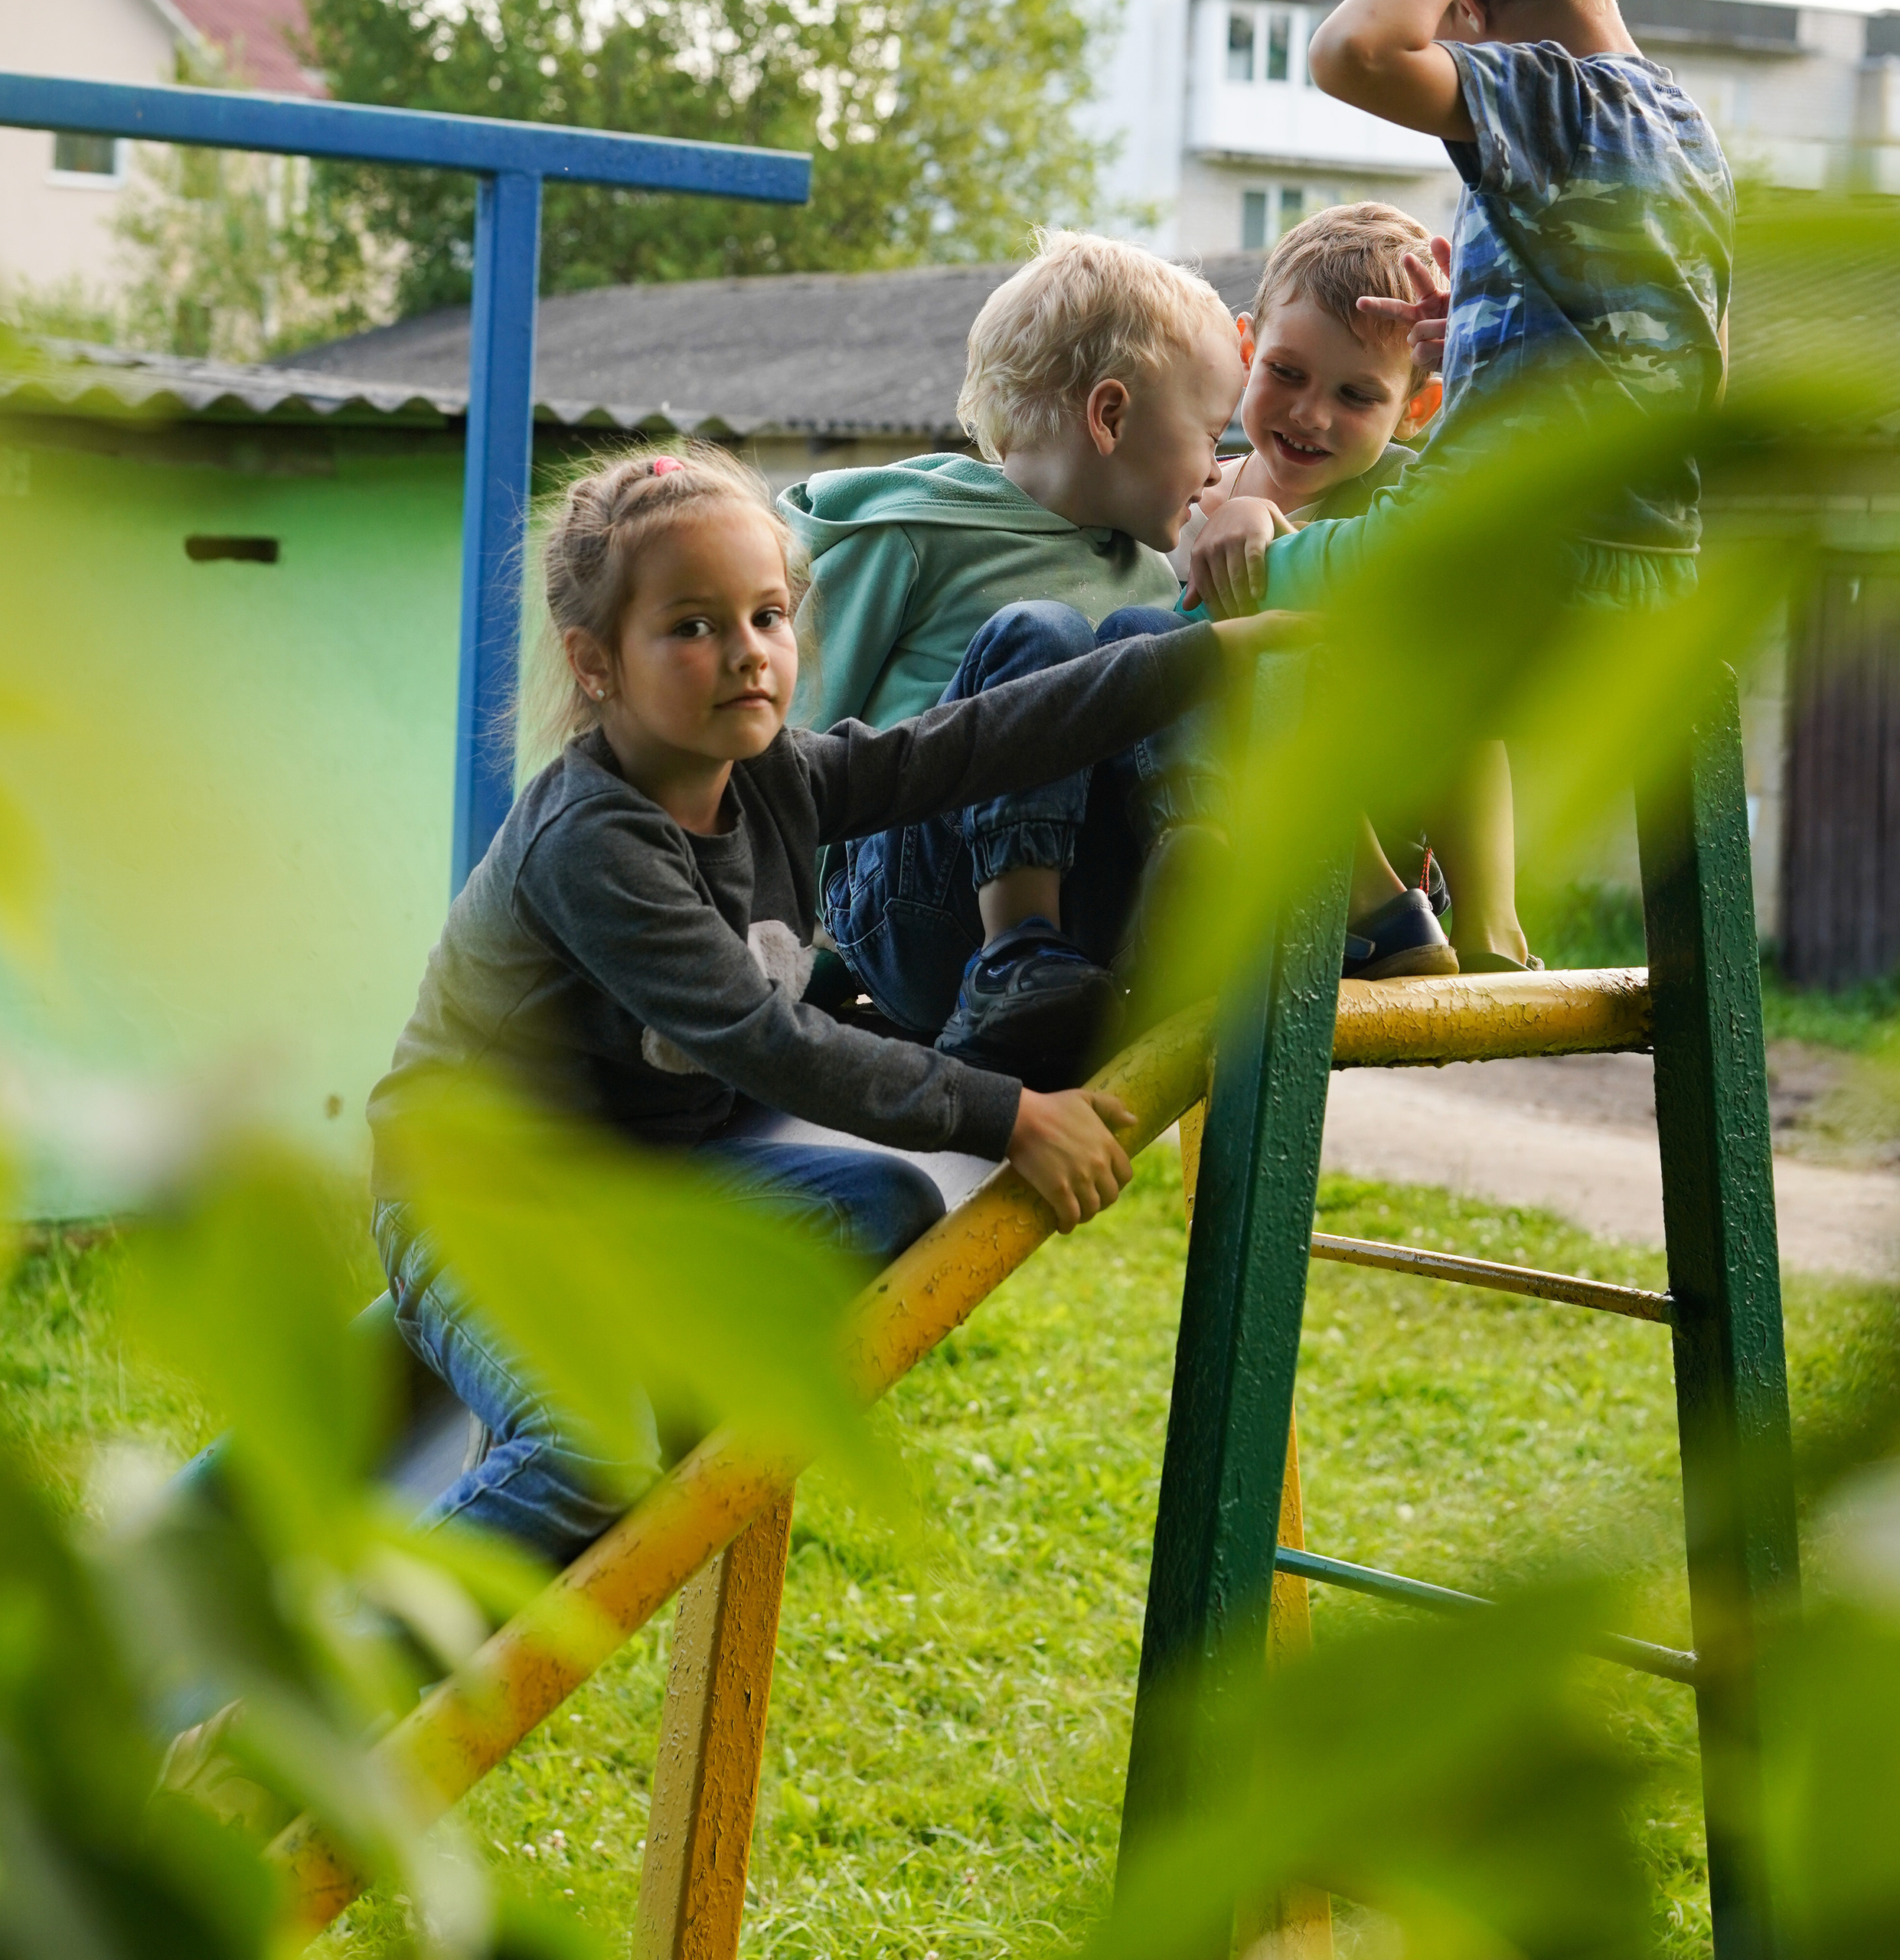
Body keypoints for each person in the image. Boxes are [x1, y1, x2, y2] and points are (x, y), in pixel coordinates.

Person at [368, 442, 1294, 1567]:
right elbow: (771, 1043)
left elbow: (968, 745)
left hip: (640, 1186)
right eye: (692, 627)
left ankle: (628, 1375)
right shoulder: (594, 841)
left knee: (879, 1213)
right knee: (588, 1458)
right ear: (595, 661)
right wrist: (1007, 1112)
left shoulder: (772, 777)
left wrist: (1208, 655)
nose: (745, 655)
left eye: (767, 617)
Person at [1187, 0, 1732, 626]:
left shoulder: (1549, 94)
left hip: (1498, 547)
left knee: (1212, 591)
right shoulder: (1684, 131)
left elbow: (1350, 54)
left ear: (1469, 7)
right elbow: (1696, 367)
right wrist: (1503, 328)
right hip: (1645, 564)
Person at [781, 233, 1249, 1080]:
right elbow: (797, 734)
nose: (1219, 469)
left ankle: (1188, 912)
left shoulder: (1148, 577)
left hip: (1087, 932)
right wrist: (782, 949)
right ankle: (1012, 957)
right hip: (914, 917)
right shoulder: (917, 529)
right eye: (1212, 436)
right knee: (1045, 640)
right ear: (1109, 417)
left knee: (1159, 647)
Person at [1177, 201, 1535, 975]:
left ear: (1417, 408)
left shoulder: (1407, 495)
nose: (1310, 415)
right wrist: (1238, 509)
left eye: (1356, 396)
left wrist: (1272, 533)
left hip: (1387, 837)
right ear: (1246, 349)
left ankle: (1485, 920)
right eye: (1286, 373)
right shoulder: (1190, 491)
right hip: (1219, 840)